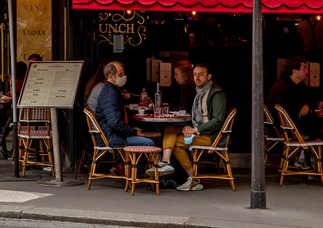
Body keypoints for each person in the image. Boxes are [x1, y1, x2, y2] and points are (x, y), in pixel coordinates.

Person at [159, 62, 227, 192]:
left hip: (212, 136)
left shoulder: (216, 94)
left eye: (201, 74)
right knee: (170, 129)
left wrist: (194, 130)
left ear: (209, 76)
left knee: (178, 143)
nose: (197, 77)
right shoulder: (200, 92)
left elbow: (217, 121)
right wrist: (189, 128)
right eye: (195, 74)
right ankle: (165, 162)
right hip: (200, 131)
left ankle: (193, 178)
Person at [94, 62, 160, 178]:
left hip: (112, 133)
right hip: (111, 136)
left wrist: (132, 130)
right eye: (120, 74)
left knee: (149, 137)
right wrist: (133, 132)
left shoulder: (111, 90)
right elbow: (114, 123)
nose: (123, 77)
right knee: (149, 143)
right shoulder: (110, 94)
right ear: (111, 76)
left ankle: (126, 168)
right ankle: (129, 171)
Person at [267, 56, 321, 168]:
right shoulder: (281, 87)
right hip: (284, 127)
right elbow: (281, 113)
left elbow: (311, 99)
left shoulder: (301, 87)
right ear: (295, 71)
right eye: (304, 68)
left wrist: (307, 105)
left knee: (317, 121)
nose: (307, 71)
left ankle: (305, 154)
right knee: (318, 122)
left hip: (294, 124)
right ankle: (308, 156)